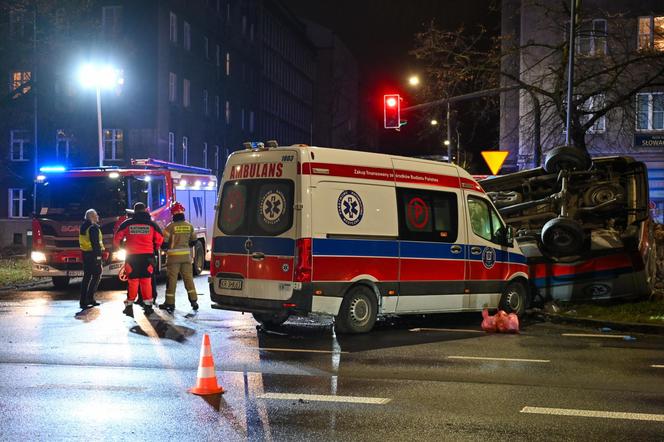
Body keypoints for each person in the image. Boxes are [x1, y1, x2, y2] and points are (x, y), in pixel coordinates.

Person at [113, 202, 163, 316]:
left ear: (134, 211)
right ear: (145, 210)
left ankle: (129, 306)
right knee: (146, 281)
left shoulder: (127, 223)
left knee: (133, 281)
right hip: (147, 257)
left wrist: (122, 246)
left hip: (132, 257)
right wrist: (154, 247)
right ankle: (148, 306)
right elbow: (159, 239)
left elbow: (117, 238)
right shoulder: (152, 224)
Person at [159, 201, 199, 314]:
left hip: (173, 259)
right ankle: (194, 301)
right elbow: (194, 241)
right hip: (186, 258)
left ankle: (170, 303)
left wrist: (168, 249)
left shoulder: (169, 227)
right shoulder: (189, 226)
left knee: (171, 281)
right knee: (188, 279)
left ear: (173, 214)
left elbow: (164, 244)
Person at [79, 208, 104, 309]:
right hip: (93, 255)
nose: (98, 216)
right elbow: (95, 244)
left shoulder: (83, 227)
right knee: (97, 275)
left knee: (86, 277)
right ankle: (90, 298)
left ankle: (83, 300)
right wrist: (98, 257)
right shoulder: (93, 228)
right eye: (96, 215)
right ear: (92, 217)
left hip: (86, 254)